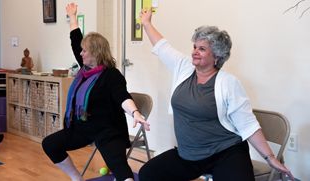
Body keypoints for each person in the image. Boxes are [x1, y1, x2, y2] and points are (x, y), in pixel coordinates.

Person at [138, 9, 294, 181]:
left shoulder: (228, 83)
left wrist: (270, 158)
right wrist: (146, 23)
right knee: (149, 174)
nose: (195, 51)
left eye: (202, 49)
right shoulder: (184, 68)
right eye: (195, 47)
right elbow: (162, 47)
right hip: (188, 155)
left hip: (225, 153)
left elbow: (248, 125)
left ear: (217, 56)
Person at [42, 3, 150, 181]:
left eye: (85, 51)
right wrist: (73, 16)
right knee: (50, 144)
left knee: (120, 169)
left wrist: (135, 113)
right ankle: (77, 178)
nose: (81, 53)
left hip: (107, 129)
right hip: (82, 127)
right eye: (82, 51)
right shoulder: (85, 69)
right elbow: (75, 40)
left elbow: (122, 96)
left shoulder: (111, 75)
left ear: (96, 53)